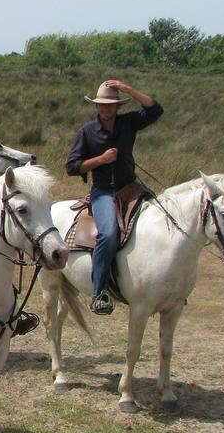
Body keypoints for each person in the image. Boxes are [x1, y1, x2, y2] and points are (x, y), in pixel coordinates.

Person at [65, 79, 163, 315]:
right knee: (108, 234)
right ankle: (99, 292)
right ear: (96, 107)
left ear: (118, 106)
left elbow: (155, 109)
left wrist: (127, 88)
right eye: (101, 106)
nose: (105, 109)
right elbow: (72, 166)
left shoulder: (128, 123)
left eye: (110, 105)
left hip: (131, 188)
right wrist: (101, 160)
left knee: (160, 224)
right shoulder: (87, 132)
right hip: (103, 191)